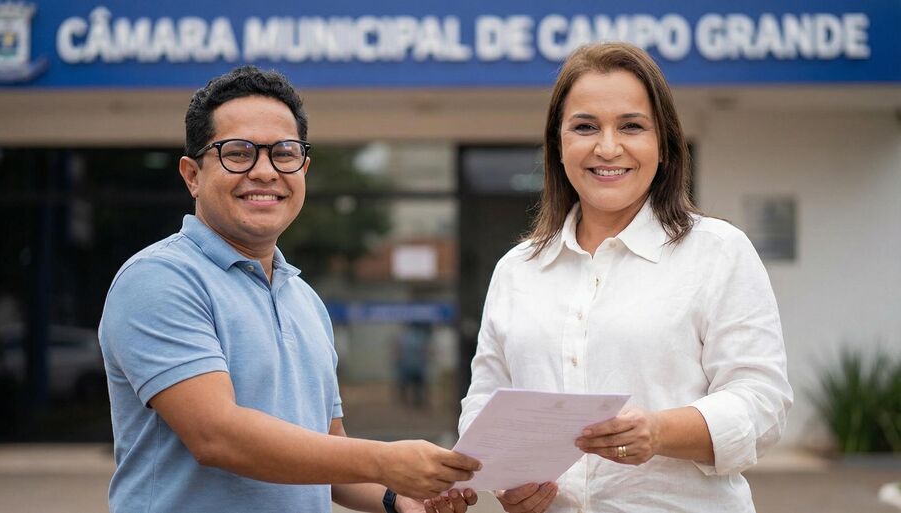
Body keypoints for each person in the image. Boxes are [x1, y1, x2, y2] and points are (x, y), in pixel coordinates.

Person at [98, 65, 480, 513]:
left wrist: (399, 498)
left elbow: (325, 453)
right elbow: (217, 436)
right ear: (192, 175)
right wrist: (385, 459)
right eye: (238, 153)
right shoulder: (159, 279)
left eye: (284, 153)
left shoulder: (304, 298)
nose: (265, 172)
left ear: (304, 168)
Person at [459, 42, 793, 513]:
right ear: (558, 144)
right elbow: (484, 401)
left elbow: (763, 401)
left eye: (632, 126)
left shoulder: (718, 252)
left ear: (664, 145)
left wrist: (659, 431)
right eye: (585, 127)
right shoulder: (518, 269)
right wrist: (506, 477)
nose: (608, 147)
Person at [395, 322, 432, 408]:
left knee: (405, 384)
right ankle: (417, 401)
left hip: (407, 365)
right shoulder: (421, 336)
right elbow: (425, 351)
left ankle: (405, 401)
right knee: (418, 386)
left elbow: (399, 351)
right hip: (418, 365)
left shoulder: (404, 337)